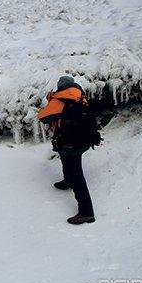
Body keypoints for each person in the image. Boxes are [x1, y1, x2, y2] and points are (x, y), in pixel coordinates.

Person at [38, 76, 95, 225]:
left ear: (60, 86)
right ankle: (68, 181)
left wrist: (51, 101)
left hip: (69, 142)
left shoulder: (60, 99)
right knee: (68, 161)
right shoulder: (80, 97)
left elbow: (43, 117)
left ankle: (86, 212)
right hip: (82, 141)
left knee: (77, 176)